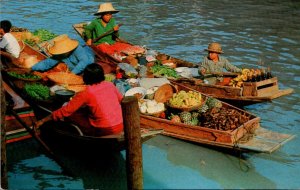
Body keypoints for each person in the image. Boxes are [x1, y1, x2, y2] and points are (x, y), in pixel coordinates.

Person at [35, 63, 124, 136]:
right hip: (121, 124)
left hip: (104, 129)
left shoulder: (86, 92)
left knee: (71, 114)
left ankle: (80, 132)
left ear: (86, 78)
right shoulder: (110, 85)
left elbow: (65, 111)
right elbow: (122, 101)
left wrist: (43, 120)